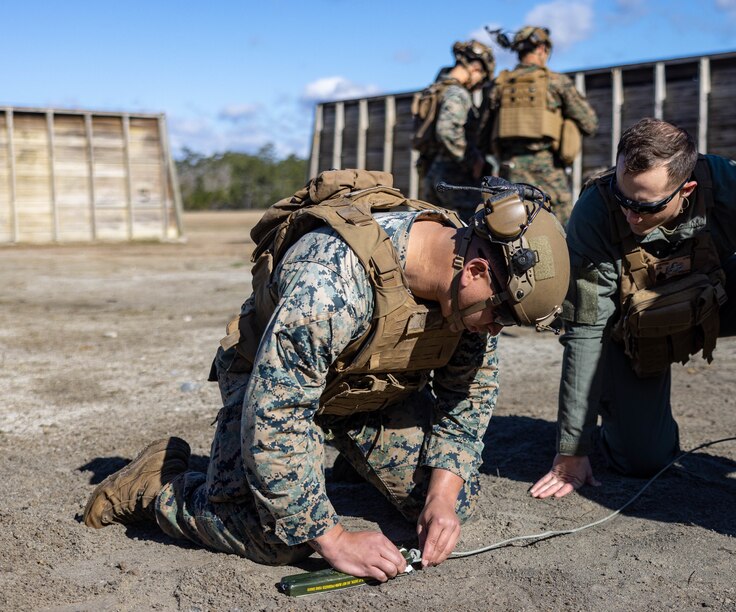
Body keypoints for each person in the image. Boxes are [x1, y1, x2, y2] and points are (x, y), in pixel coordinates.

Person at [83, 170, 569, 581]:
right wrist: (333, 538)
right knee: (278, 541)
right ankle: (156, 485)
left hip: (370, 393)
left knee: (449, 508)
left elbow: (469, 397)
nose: (495, 329)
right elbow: (276, 412)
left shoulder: (468, 295)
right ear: (477, 270)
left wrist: (442, 495)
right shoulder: (332, 279)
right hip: (274, 394)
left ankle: (343, 461)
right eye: (498, 317)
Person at [530, 118, 736, 502]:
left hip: (710, 301)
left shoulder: (734, 185)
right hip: (631, 333)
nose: (631, 215)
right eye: (624, 198)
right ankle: (620, 417)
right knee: (643, 461)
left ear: (687, 189)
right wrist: (572, 449)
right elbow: (585, 329)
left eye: (645, 206)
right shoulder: (595, 211)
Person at [486, 25, 598, 224]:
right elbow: (590, 123)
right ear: (541, 49)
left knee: (509, 229)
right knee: (564, 231)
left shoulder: (499, 85)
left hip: (508, 170)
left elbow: (482, 133)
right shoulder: (556, 82)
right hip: (547, 170)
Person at [414, 40, 495, 221]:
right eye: (480, 79)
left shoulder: (433, 91)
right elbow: (447, 130)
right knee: (468, 233)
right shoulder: (457, 93)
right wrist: (472, 160)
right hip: (454, 177)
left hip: (431, 173)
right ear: (475, 69)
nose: (477, 85)